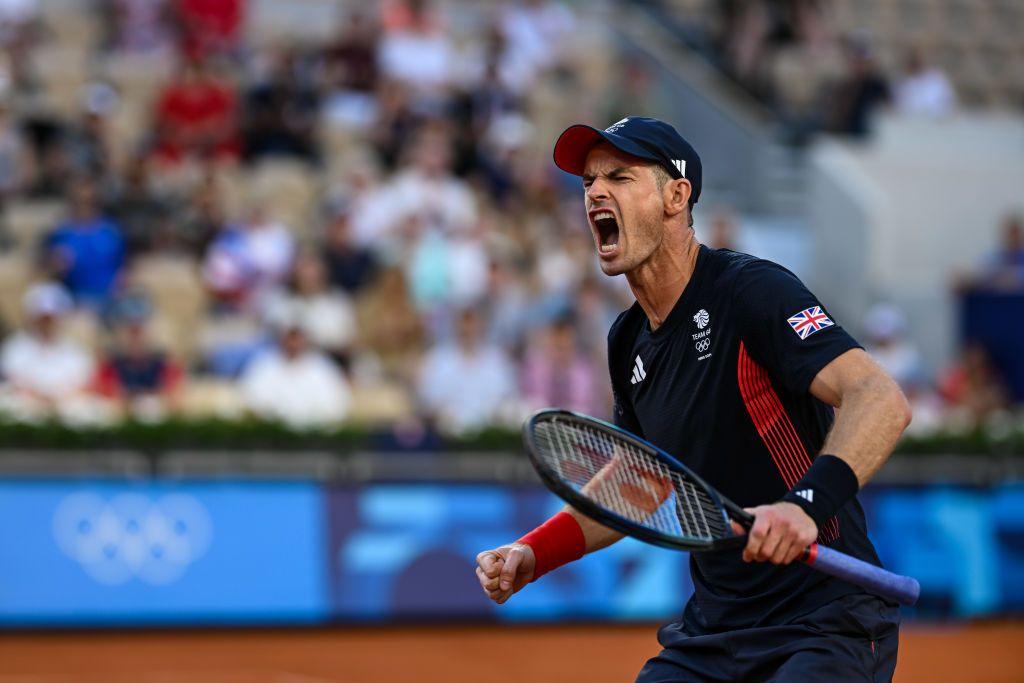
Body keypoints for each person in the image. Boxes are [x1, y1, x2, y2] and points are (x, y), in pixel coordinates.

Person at [475, 117, 912, 682]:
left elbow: (879, 397)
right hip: (714, 632)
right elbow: (640, 481)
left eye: (620, 177)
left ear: (676, 196)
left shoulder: (752, 291)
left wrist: (804, 506)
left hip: (825, 619)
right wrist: (534, 554)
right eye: (588, 182)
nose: (595, 193)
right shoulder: (626, 340)